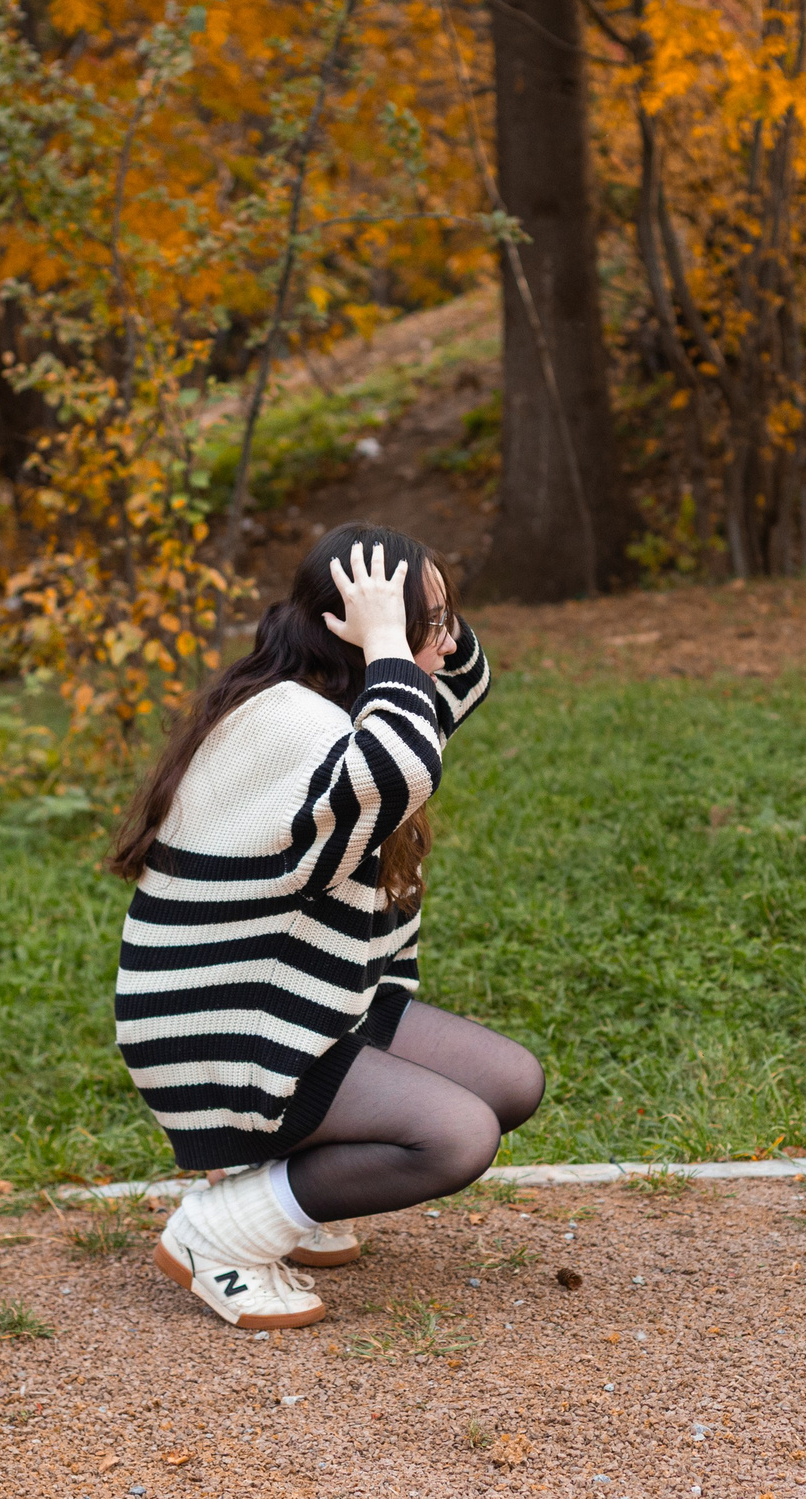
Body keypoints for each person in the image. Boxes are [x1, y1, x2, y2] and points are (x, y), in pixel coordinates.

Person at [106, 525, 543, 1329]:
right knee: (456, 1135)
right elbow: (400, 767)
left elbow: (457, 688)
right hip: (230, 1030)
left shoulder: (334, 696)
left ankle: (283, 1189)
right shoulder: (290, 726)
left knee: (511, 1081)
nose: (446, 641)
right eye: (431, 625)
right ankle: (221, 1235)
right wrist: (386, 633)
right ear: (361, 634)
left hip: (298, 1004)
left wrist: (399, 600)